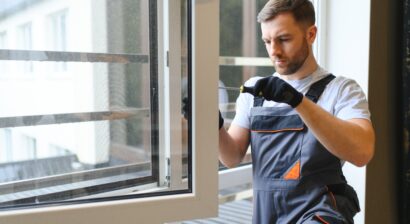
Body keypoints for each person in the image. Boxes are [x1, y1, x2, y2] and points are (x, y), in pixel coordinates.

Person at [218, 0, 375, 223]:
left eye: (284, 39)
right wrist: (212, 124)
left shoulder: (341, 90)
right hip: (267, 214)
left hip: (319, 213)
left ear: (311, 34)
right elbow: (231, 156)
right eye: (267, 41)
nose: (274, 51)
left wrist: (297, 101)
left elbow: (363, 153)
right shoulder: (255, 90)